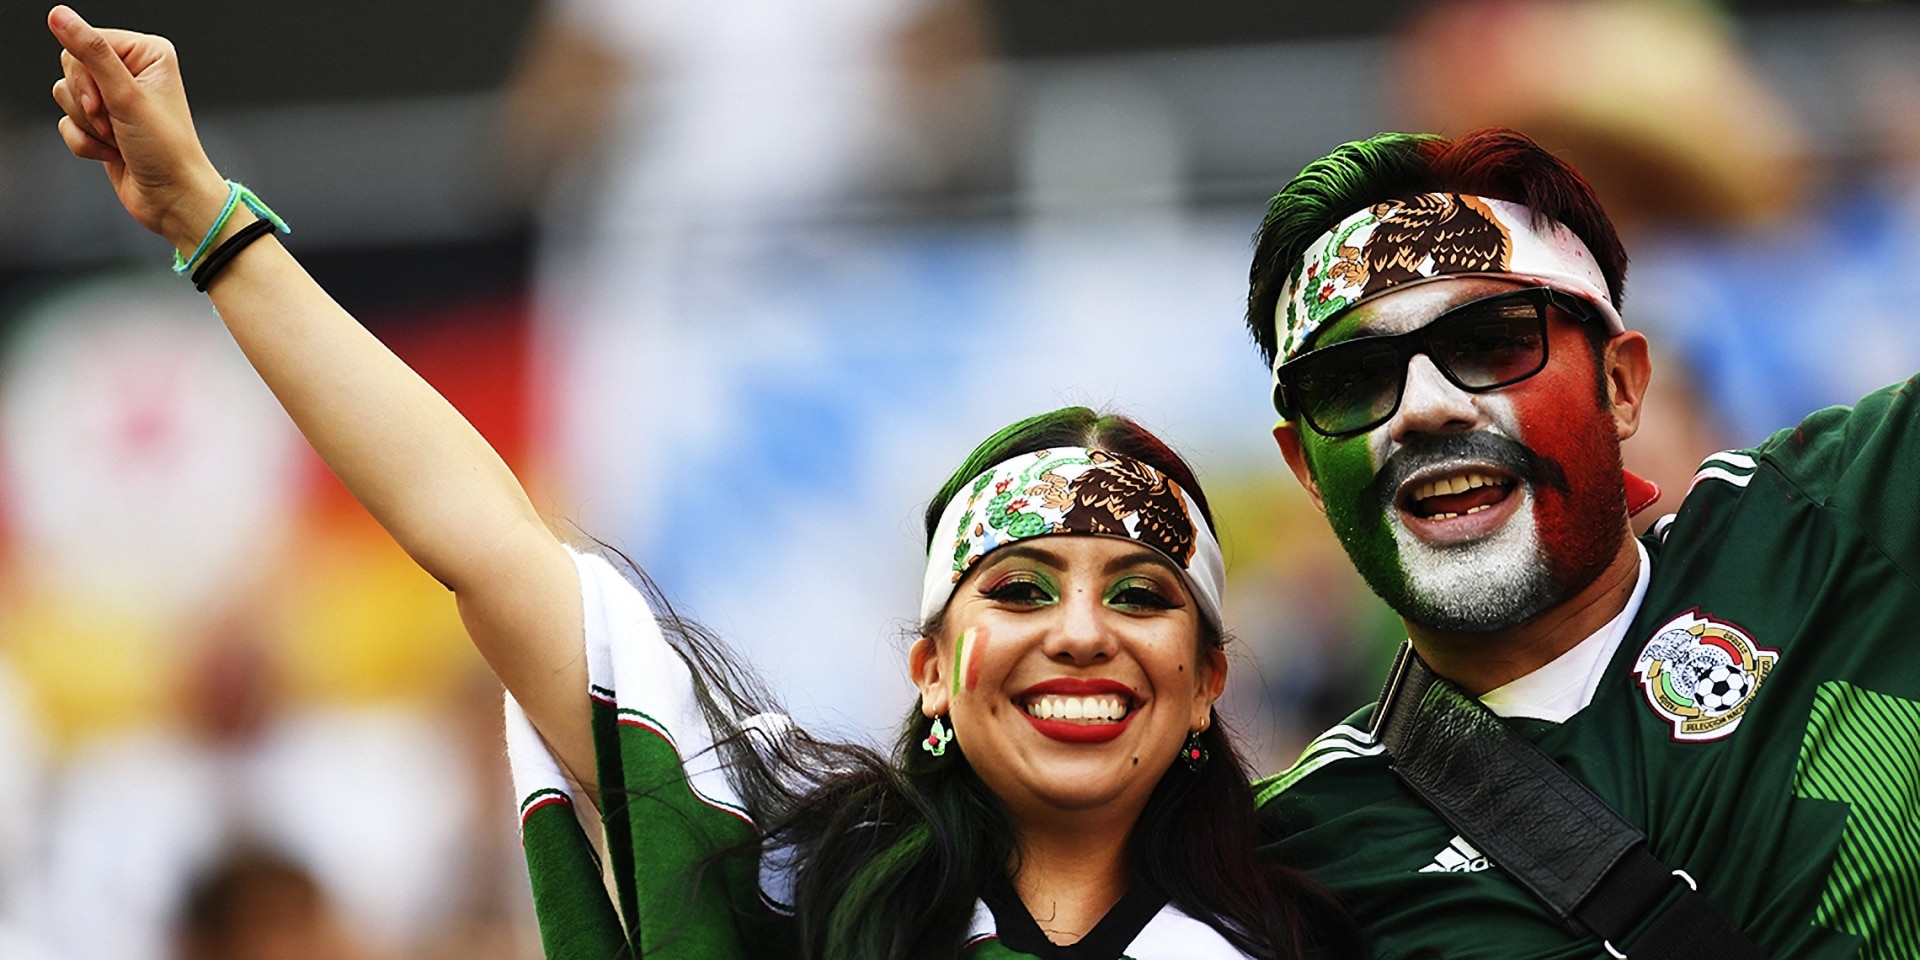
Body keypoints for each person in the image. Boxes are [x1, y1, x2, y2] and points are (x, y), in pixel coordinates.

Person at [44, 8, 1361, 959]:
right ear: (929, 670)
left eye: (1140, 590)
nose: (1079, 627)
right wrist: (213, 227)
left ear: (1211, 679)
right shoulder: (817, 891)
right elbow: (488, 543)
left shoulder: (1328, 922)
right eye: (1018, 584)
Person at [1244, 128, 1920, 958]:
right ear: (1304, 467)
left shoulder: (1841, 523)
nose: (1423, 408)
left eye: (1490, 342)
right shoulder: (1296, 866)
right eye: (1353, 383)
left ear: (1622, 384)